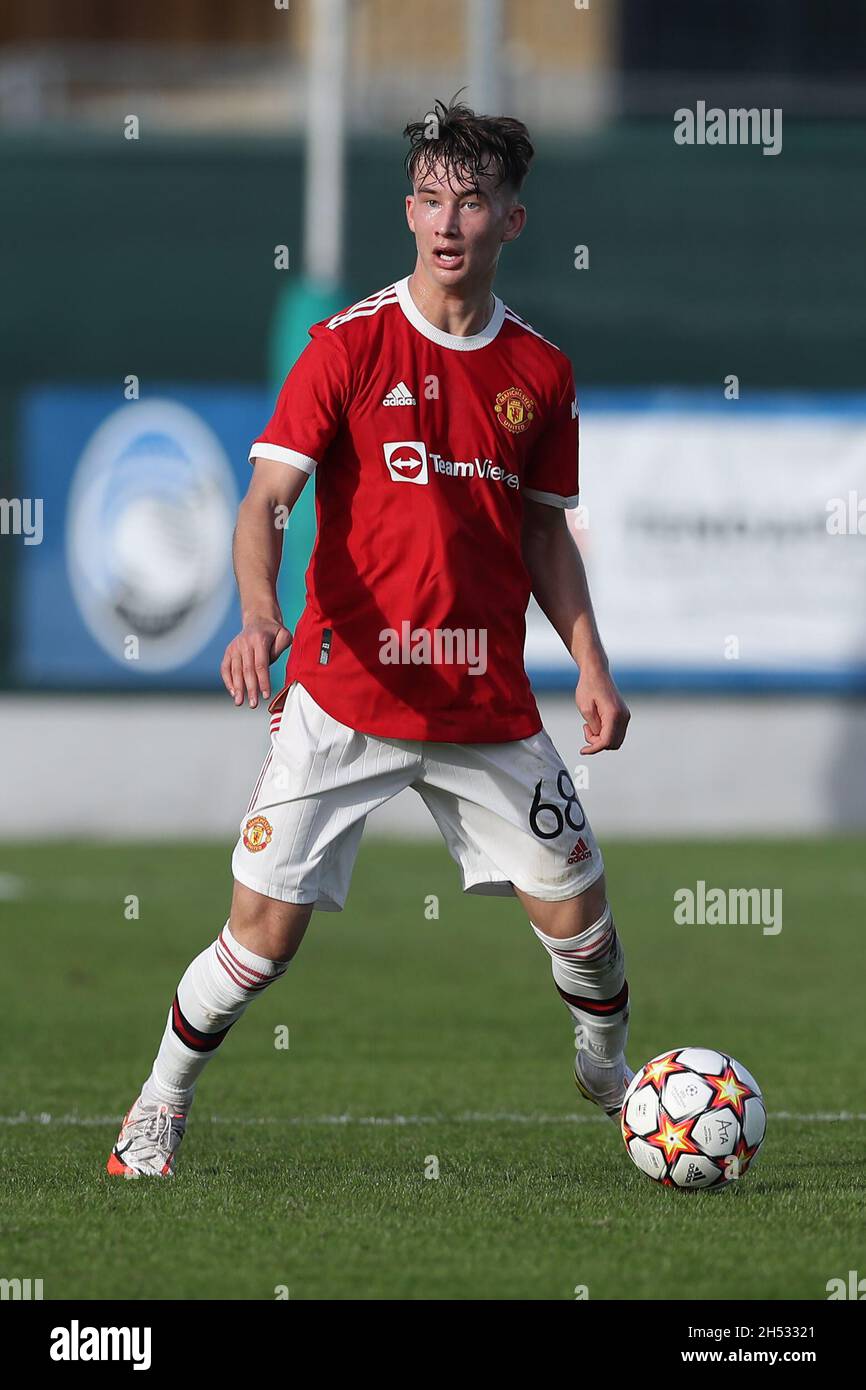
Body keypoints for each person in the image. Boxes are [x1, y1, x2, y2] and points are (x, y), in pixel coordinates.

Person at [107, 96, 632, 1179]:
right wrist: (259, 613)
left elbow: (544, 536)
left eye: (472, 201)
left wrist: (589, 663)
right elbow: (264, 505)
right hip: (345, 694)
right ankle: (157, 1104)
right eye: (431, 199)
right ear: (407, 211)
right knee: (260, 938)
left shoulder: (540, 375)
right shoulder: (346, 346)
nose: (448, 221)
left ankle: (607, 1067)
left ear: (510, 222)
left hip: (484, 704)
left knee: (585, 930)